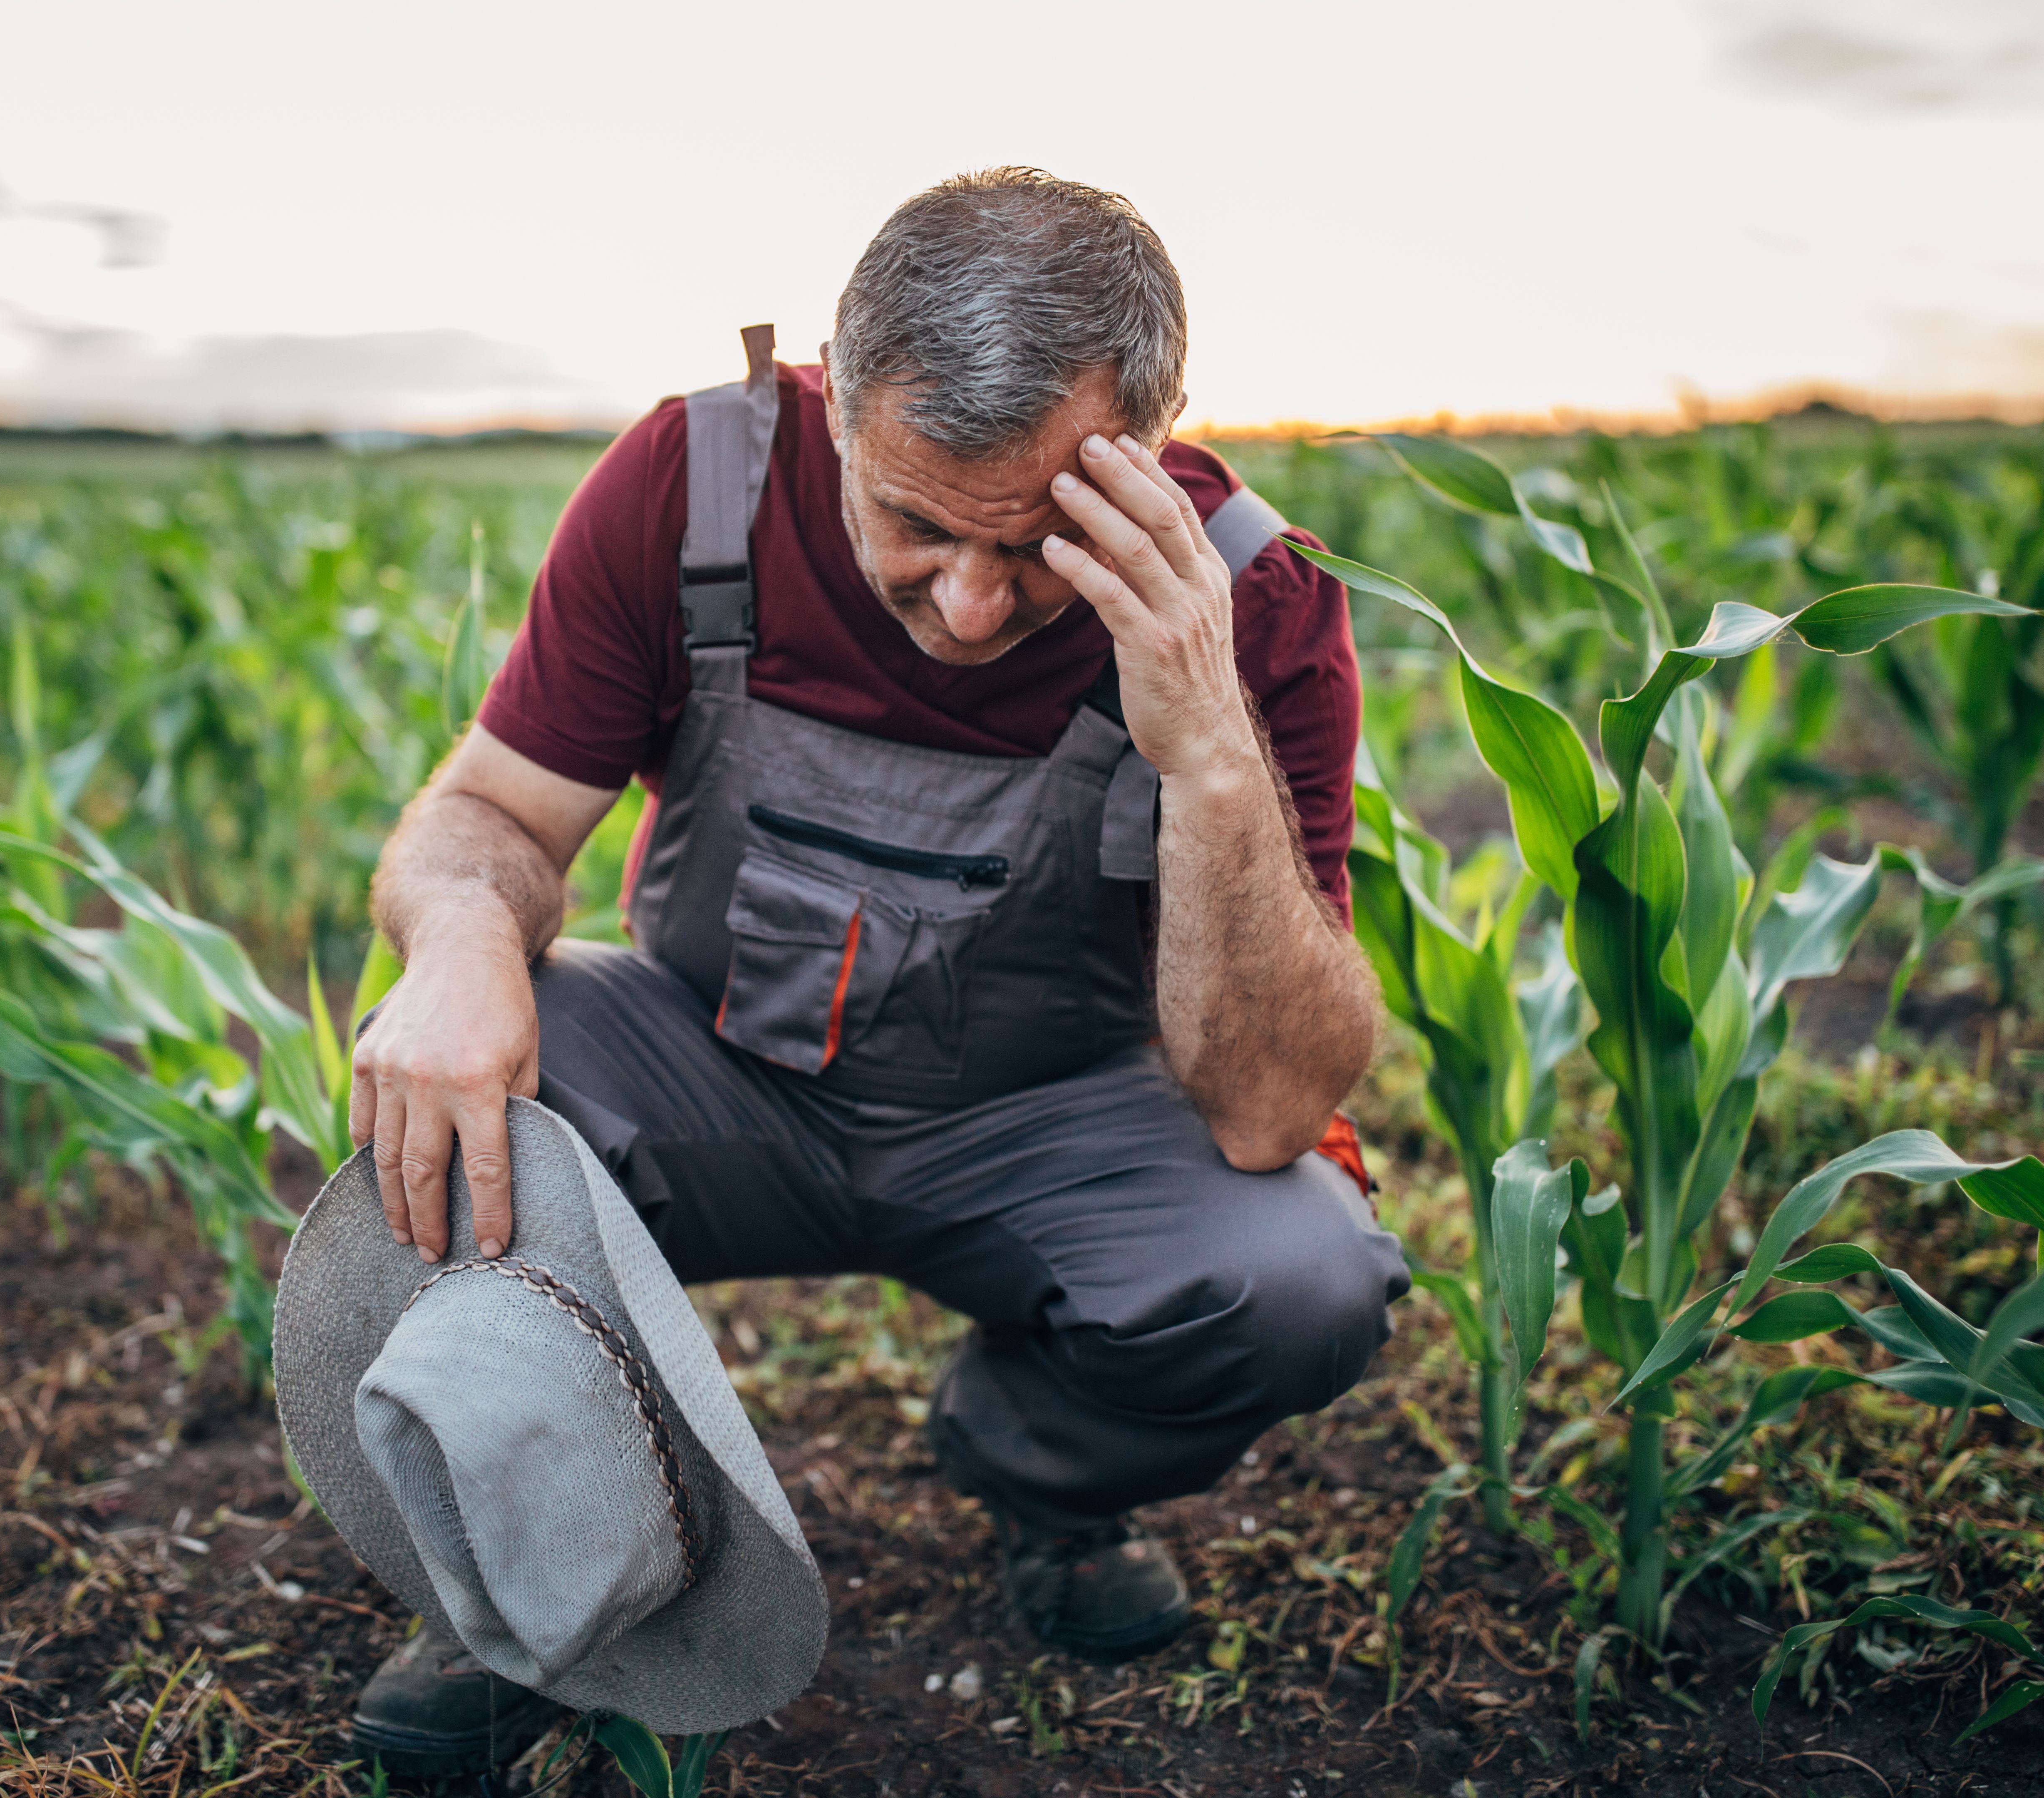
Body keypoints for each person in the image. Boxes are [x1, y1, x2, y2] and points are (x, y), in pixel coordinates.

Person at [343, 167, 1409, 1770]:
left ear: (1158, 438)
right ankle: (554, 1579)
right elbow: (486, 816)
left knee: (1302, 1282)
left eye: (1043, 537)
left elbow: (1267, 1110)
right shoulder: (695, 480)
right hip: (712, 1067)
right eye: (913, 522)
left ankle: (1038, 1470)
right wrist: (466, 945)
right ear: (835, 401)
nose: (973, 604)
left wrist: (1206, 747)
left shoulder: (1254, 597)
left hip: (1047, 1121)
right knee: (432, 1108)